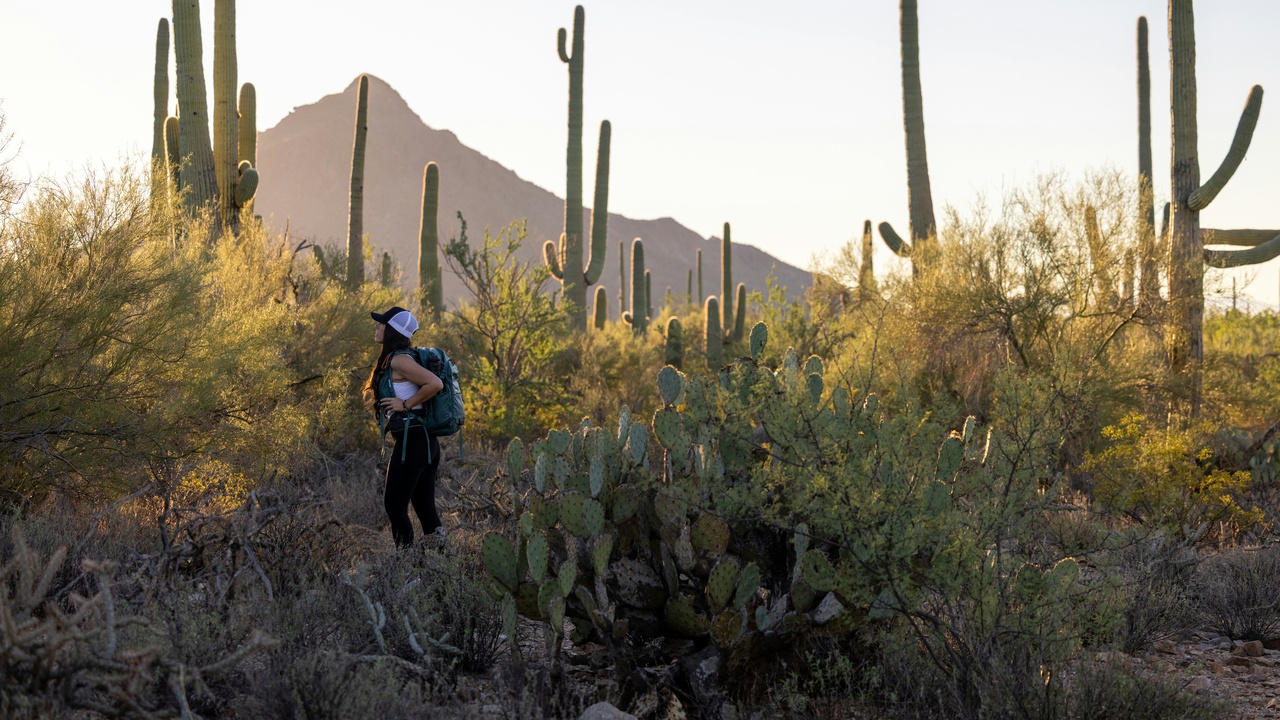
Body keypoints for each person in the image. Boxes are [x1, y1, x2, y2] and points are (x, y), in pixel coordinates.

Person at [364, 306, 446, 549]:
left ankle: (405, 567)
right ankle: (442, 564)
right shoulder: (396, 358)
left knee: (395, 507)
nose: (377, 327)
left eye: (381, 324)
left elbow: (435, 383)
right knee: (424, 509)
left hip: (414, 442)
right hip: (424, 442)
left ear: (392, 330)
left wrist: (405, 404)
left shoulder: (400, 359)